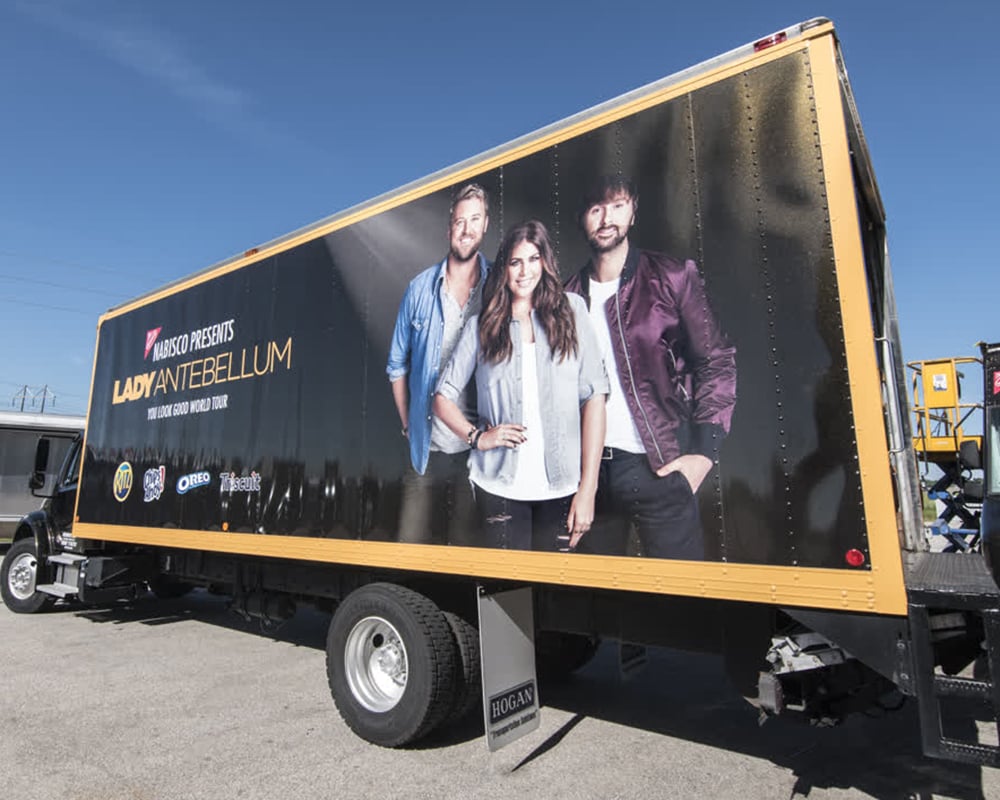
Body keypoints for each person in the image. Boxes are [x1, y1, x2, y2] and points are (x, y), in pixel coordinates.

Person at [565, 176, 736, 560]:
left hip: (656, 465)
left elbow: (716, 359)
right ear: (582, 218)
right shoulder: (566, 296)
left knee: (684, 594)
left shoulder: (673, 276)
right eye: (596, 209)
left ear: (633, 209)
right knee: (595, 597)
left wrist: (703, 453)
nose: (606, 218)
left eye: (617, 205)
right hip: (587, 476)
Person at [433, 220, 608, 551]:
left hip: (562, 489)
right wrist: (478, 438)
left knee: (556, 596)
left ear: (544, 262)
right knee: (509, 598)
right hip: (499, 490)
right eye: (515, 262)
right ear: (504, 269)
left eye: (533, 259)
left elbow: (595, 399)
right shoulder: (480, 327)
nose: (524, 271)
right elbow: (442, 397)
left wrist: (588, 490)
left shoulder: (573, 311)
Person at [386, 183, 490, 545]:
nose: (466, 229)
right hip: (425, 450)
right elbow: (397, 364)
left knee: (466, 552)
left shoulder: (497, 289)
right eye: (460, 221)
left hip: (475, 453)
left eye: (474, 220)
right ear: (449, 229)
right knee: (408, 546)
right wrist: (407, 424)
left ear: (486, 225)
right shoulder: (419, 289)